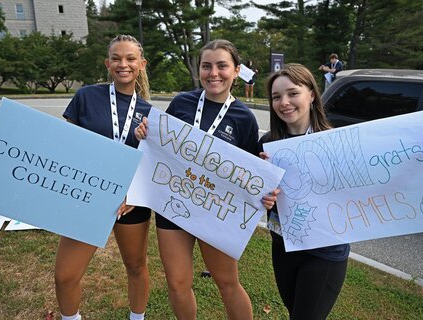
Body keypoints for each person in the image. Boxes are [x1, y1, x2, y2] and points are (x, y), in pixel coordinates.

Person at [258, 63, 423, 320]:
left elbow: (386, 177)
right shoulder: (268, 145)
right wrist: (264, 198)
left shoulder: (339, 142)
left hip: (324, 253)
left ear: (312, 94)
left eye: (293, 93)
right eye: (277, 96)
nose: (284, 102)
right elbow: (256, 196)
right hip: (283, 246)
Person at [134, 39, 278, 320]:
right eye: (206, 66)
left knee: (227, 282)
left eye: (222, 66)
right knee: (177, 284)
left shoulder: (243, 118)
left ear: (236, 71)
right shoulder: (182, 102)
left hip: (216, 211)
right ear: (199, 70)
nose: (214, 73)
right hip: (174, 203)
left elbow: (249, 174)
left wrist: (264, 188)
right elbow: (160, 146)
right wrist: (144, 134)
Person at [55, 35, 152, 320]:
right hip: (87, 196)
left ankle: (138, 318)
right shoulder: (87, 96)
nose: (123, 64)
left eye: (131, 59)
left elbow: (152, 164)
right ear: (107, 63)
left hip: (130, 201)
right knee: (65, 275)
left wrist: (134, 192)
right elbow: (61, 143)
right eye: (117, 58)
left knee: (136, 266)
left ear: (141, 64)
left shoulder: (149, 113)